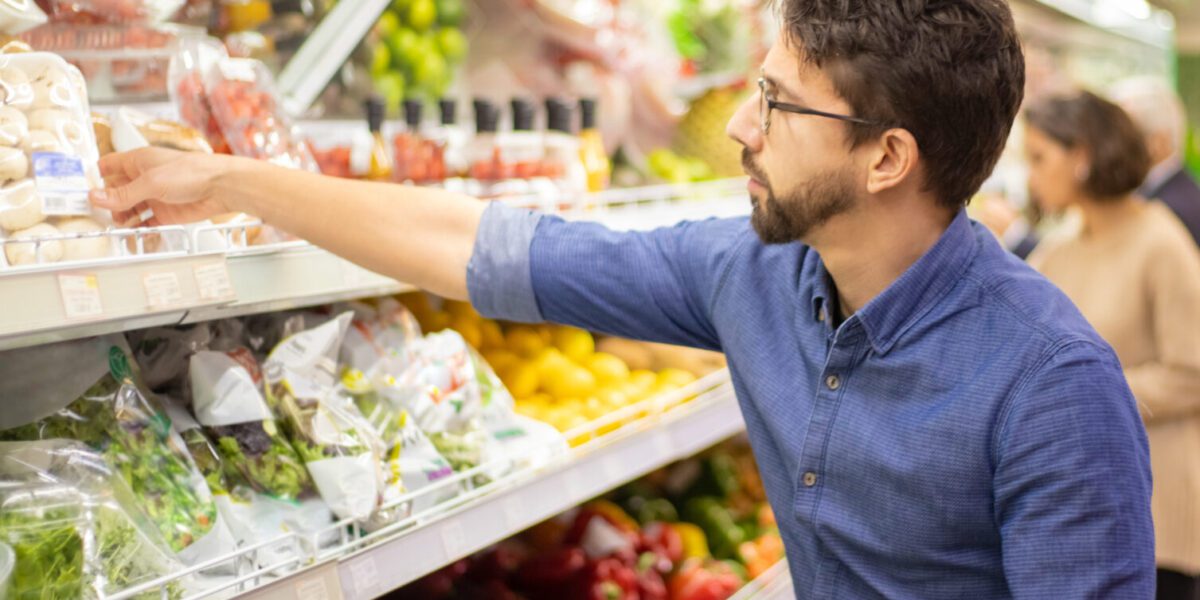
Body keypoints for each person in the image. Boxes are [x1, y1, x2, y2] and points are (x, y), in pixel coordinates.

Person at [92, 1, 1154, 596]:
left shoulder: (1049, 384)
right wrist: (230, 181)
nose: (740, 127)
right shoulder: (754, 274)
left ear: (887, 159)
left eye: (777, 104)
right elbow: (476, 244)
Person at [1024, 90, 1200, 600]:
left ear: (1080, 157)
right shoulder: (1060, 249)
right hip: (1085, 500)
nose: (1031, 175)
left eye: (1039, 157)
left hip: (1158, 504)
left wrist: (1088, 390)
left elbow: (1192, 372)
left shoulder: (1160, 242)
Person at [1110, 76, 1200, 246]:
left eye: (1123, 136)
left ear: (1158, 142)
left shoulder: (1174, 209)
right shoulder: (1165, 196)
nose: (1112, 148)